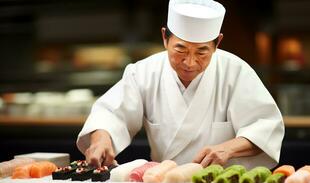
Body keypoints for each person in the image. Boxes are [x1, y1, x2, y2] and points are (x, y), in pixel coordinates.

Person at [76, 0, 284, 169]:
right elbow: (112, 114)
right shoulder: (143, 72)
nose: (190, 63)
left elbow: (265, 127)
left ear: (218, 43)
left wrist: (228, 148)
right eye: (180, 50)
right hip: (163, 182)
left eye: (202, 51)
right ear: (165, 38)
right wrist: (100, 139)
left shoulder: (236, 72)